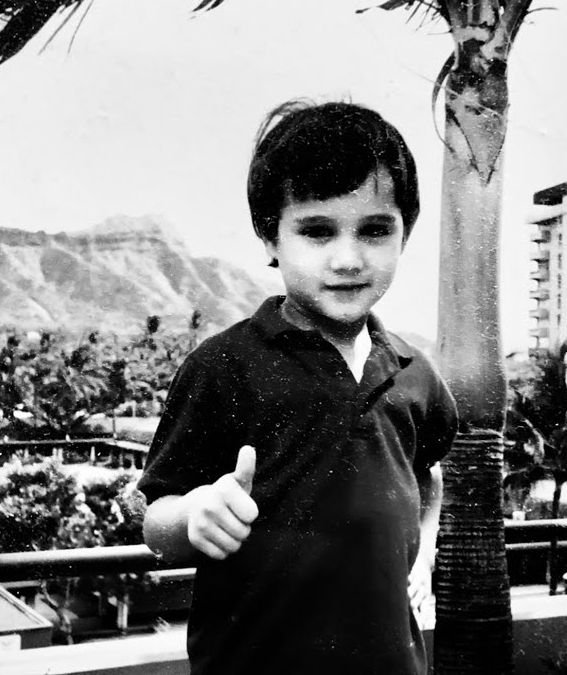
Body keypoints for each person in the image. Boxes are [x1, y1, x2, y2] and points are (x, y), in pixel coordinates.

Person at [136, 99, 458, 675]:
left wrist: (424, 555)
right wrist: (195, 515)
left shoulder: (416, 373)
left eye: (375, 230)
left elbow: (429, 476)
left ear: (404, 234)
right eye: (316, 231)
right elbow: (156, 523)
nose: (348, 258)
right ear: (270, 237)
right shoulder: (224, 366)